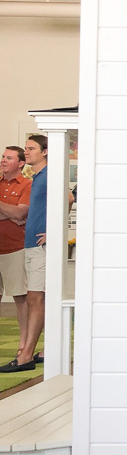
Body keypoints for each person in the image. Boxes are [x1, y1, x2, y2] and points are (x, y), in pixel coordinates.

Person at [0, 135, 50, 373]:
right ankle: (29, 352)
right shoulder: (38, 177)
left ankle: (25, 353)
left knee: (32, 298)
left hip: (25, 246)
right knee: (34, 297)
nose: (27, 152)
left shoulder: (40, 178)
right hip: (29, 244)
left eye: (31, 149)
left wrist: (53, 230)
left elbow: (22, 214)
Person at [0, 146, 32, 360]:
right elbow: (15, 214)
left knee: (21, 298)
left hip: (15, 248)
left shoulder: (27, 184)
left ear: (20, 163)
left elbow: (22, 212)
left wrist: (14, 214)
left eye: (9, 158)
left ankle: (23, 344)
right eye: (3, 156)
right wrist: (10, 214)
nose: (3, 160)